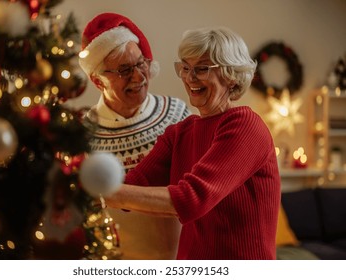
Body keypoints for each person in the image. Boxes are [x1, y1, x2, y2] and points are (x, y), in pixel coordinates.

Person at [106, 27, 281, 260]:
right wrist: (78, 178)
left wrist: (105, 194)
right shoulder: (180, 133)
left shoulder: (244, 125)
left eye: (201, 69)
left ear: (230, 75)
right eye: (185, 68)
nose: (189, 78)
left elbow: (192, 198)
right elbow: (133, 186)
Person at [78, 13, 191, 260]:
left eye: (141, 63)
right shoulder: (80, 136)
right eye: (124, 70)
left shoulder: (178, 115)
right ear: (98, 81)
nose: (139, 77)